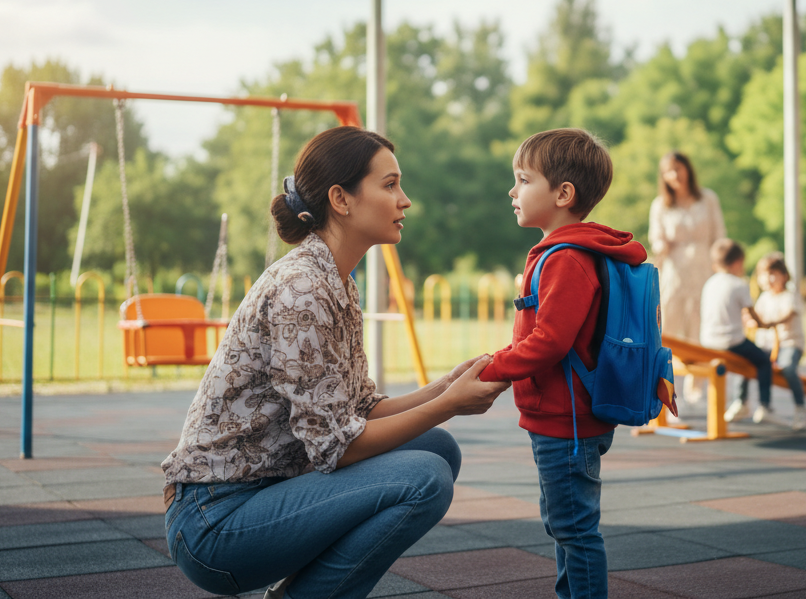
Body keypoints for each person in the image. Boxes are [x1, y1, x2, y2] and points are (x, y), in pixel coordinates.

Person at [162, 126, 511, 599]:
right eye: (389, 185)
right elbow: (334, 448)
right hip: (216, 523)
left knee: (439, 449)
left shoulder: (337, 282)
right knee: (424, 478)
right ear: (341, 200)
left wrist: (442, 388)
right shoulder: (301, 290)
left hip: (265, 495)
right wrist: (448, 403)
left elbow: (358, 409)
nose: (404, 200)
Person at [479, 128, 647, 599]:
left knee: (574, 530)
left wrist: (492, 368)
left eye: (523, 179)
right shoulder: (567, 251)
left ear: (563, 194)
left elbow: (550, 341)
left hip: (566, 421)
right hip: (566, 416)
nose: (513, 191)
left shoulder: (566, 259)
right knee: (565, 527)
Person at [648, 152, 725, 402]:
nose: (675, 175)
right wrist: (662, 245)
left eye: (678, 169)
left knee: (701, 324)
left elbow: (719, 235)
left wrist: (721, 266)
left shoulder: (708, 199)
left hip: (704, 268)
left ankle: (697, 382)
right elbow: (655, 237)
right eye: (669, 171)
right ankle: (666, 388)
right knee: (670, 326)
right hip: (674, 271)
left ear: (688, 170)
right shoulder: (660, 204)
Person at [699, 238, 781, 425]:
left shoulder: (710, 283)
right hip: (730, 342)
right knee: (763, 361)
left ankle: (741, 402)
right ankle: (765, 406)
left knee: (745, 359)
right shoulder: (739, 284)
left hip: (707, 340)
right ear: (737, 263)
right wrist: (765, 325)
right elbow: (753, 315)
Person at [750, 252, 806, 429]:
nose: (768, 278)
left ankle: (801, 407)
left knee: (788, 368)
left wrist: (769, 323)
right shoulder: (763, 298)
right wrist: (751, 320)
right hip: (767, 345)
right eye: (764, 274)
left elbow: (788, 314)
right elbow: (755, 317)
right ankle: (748, 403)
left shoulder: (789, 296)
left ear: (784, 276)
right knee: (745, 363)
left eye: (773, 273)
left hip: (789, 343)